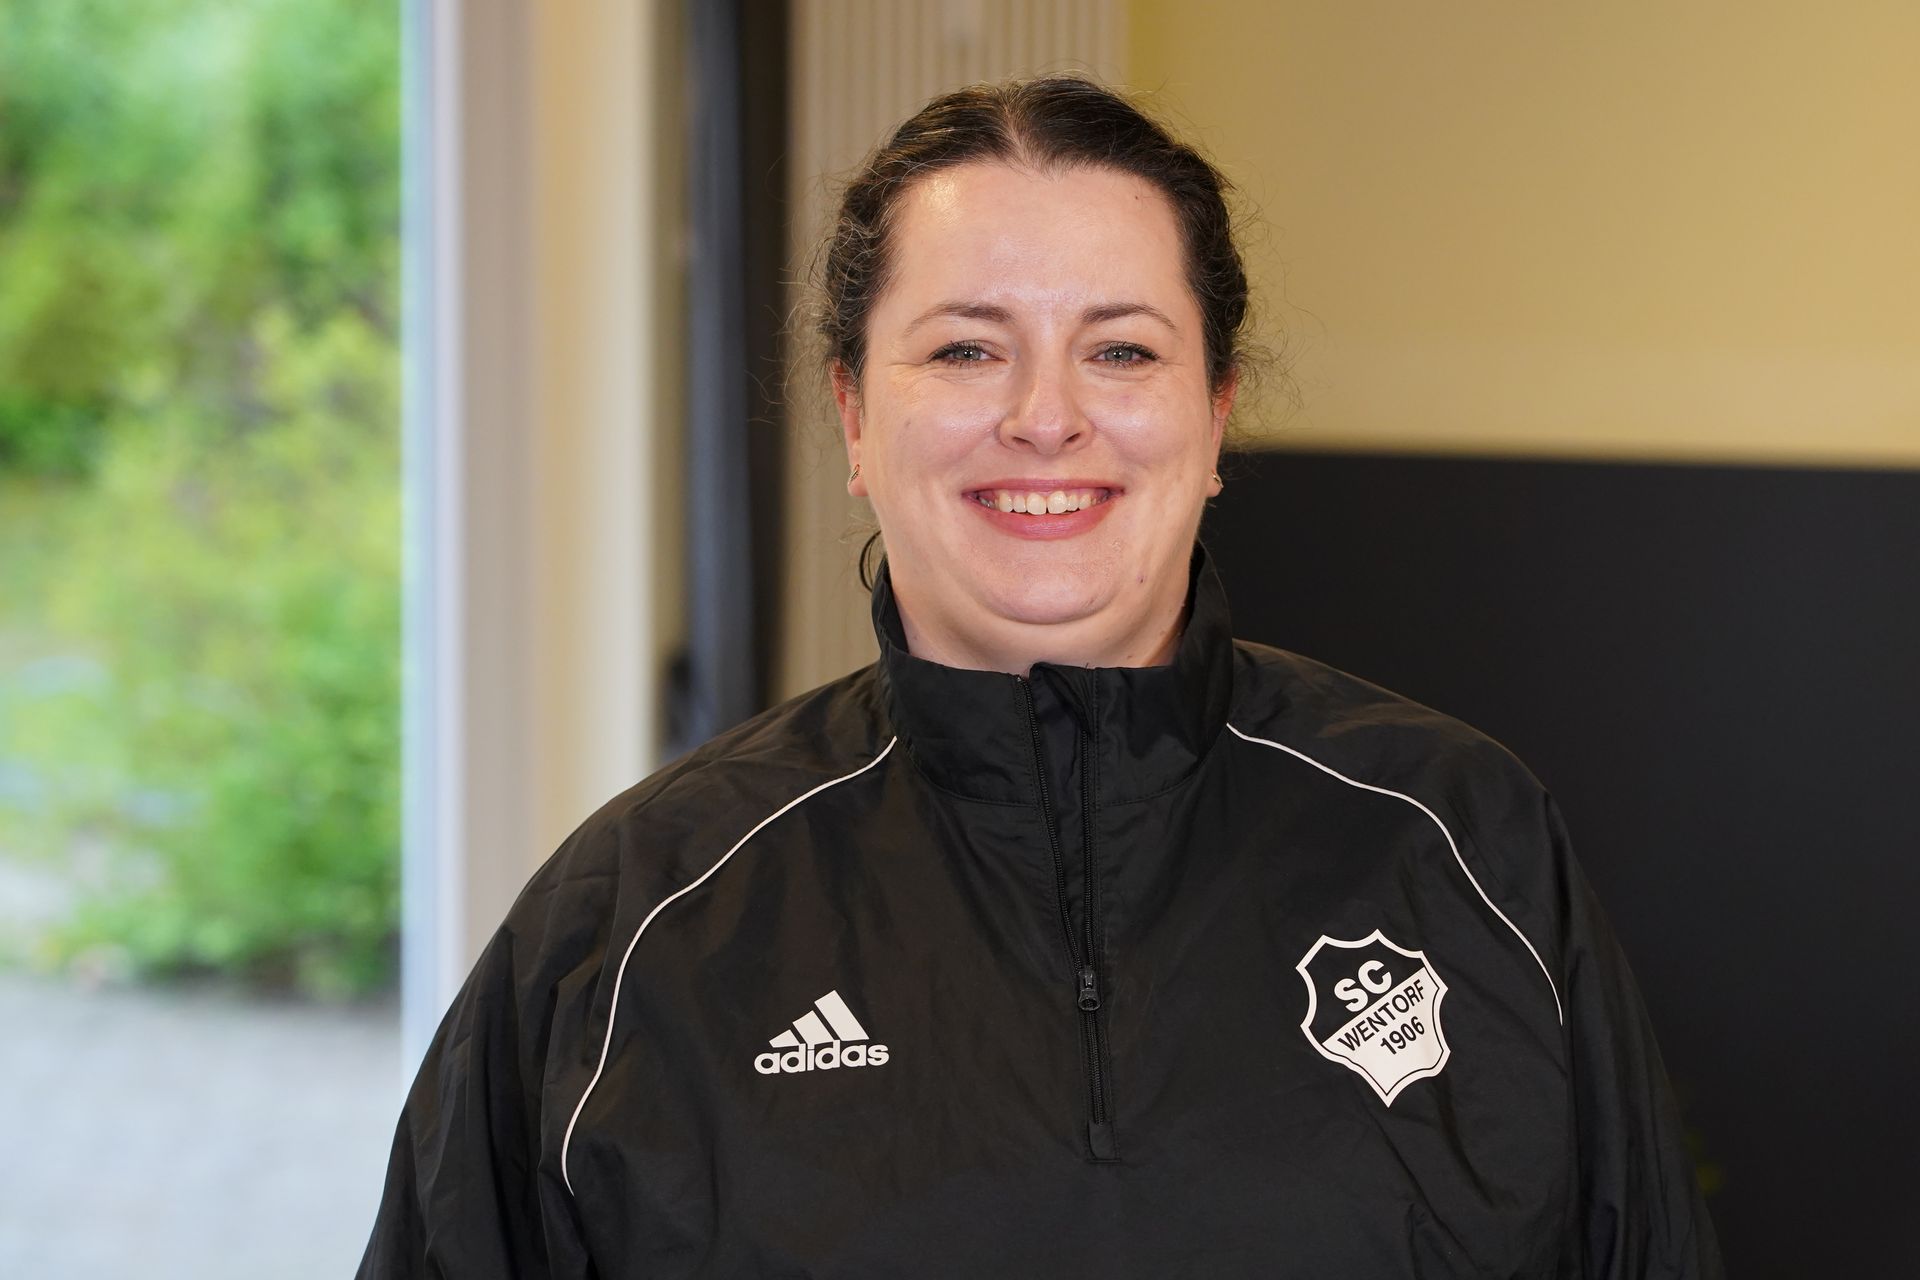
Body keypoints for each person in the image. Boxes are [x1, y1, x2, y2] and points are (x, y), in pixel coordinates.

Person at [358, 75, 1721, 1278]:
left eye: (1121, 349)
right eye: (967, 348)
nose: (1046, 417)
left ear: (1214, 415)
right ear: (852, 414)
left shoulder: (1465, 842)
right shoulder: (635, 922)